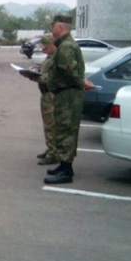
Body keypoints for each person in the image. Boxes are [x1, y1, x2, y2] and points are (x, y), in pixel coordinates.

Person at [44, 15, 91, 185]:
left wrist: (82, 83)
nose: (51, 30)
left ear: (61, 28)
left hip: (68, 95)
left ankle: (66, 171)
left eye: (53, 26)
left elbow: (70, 72)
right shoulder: (65, 44)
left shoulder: (65, 47)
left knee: (66, 130)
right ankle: (65, 166)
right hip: (66, 93)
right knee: (64, 129)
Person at [36, 34, 59, 166]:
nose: (43, 50)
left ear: (52, 44)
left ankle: (53, 153)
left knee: (51, 125)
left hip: (51, 94)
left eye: (45, 47)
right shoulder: (50, 57)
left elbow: (51, 78)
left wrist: (35, 77)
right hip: (46, 93)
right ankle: (51, 148)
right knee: (48, 124)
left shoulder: (56, 59)